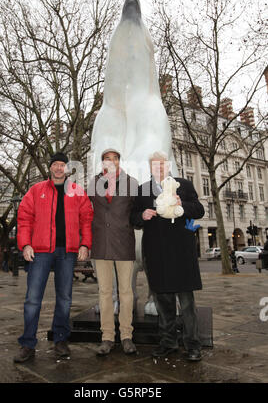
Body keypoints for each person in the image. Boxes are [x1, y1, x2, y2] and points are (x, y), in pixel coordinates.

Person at [13, 152, 93, 363]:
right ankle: (27, 343)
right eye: (55, 164)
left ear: (67, 169)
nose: (59, 168)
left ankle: (60, 340)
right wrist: (26, 244)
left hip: (67, 251)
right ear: (50, 168)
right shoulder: (36, 190)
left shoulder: (77, 192)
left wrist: (85, 244)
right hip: (40, 251)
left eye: (62, 165)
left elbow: (86, 219)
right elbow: (24, 219)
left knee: (65, 299)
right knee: (32, 299)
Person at [130, 151, 205, 362]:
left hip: (181, 252)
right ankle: (168, 343)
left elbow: (199, 210)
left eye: (162, 165)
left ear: (169, 166)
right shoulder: (143, 190)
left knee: (187, 303)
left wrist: (183, 206)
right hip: (156, 253)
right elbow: (133, 218)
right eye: (155, 165)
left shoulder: (183, 185)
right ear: (150, 168)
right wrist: (142, 215)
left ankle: (193, 345)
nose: (159, 168)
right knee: (163, 303)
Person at [88, 149, 138, 356]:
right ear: (102, 163)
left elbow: (137, 212)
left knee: (126, 293)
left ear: (119, 162)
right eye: (107, 159)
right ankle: (107, 337)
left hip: (124, 243)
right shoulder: (93, 183)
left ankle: (126, 336)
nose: (111, 162)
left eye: (115, 159)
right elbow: (85, 210)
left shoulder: (132, 183)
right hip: (100, 244)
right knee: (105, 293)